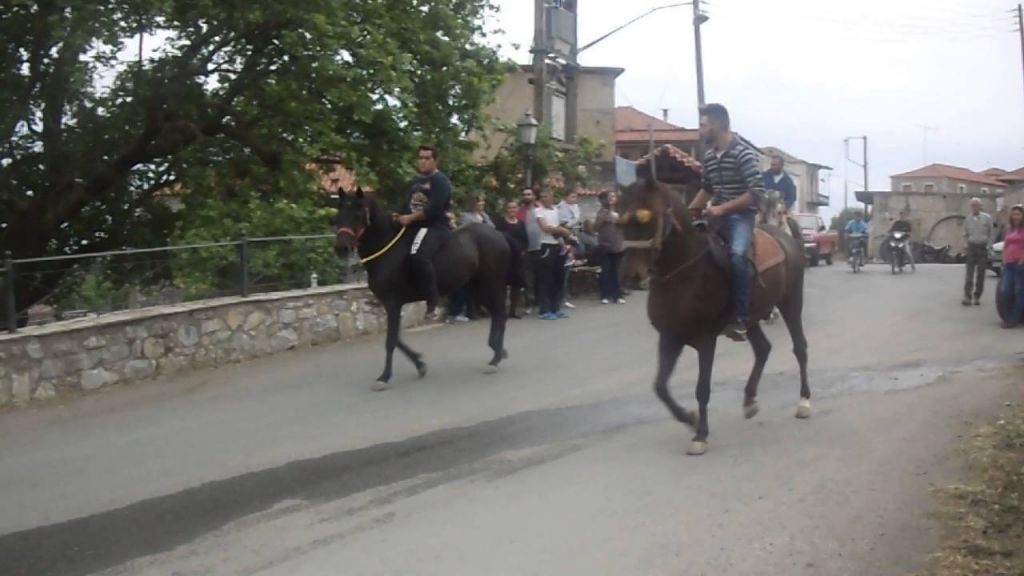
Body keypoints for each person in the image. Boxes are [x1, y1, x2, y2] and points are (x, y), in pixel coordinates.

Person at [687, 103, 766, 341]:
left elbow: (756, 192)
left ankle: (741, 317)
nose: (699, 131)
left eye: (703, 125)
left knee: (737, 255)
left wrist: (723, 208)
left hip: (741, 216)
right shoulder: (709, 157)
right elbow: (708, 189)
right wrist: (688, 211)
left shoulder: (743, 154)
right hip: (715, 215)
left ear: (718, 125)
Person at [397, 145, 452, 320]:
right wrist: (398, 214)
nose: (422, 161)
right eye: (420, 157)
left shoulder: (440, 181)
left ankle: (433, 301)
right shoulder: (416, 181)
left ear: (435, 160)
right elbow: (406, 203)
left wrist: (410, 218)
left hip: (435, 227)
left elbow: (434, 209)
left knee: (419, 256)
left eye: (427, 158)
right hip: (414, 225)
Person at [535, 189, 577, 320]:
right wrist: (563, 231)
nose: (544, 198)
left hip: (558, 246)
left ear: (552, 197)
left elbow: (562, 227)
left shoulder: (557, 211)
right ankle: (545, 309)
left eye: (546, 195)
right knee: (546, 279)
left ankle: (556, 307)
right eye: (542, 196)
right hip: (546, 246)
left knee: (559, 278)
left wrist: (564, 239)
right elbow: (546, 228)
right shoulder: (538, 211)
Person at [495, 200, 528, 319]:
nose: (512, 210)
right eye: (510, 208)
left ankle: (513, 310)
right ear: (506, 209)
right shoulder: (500, 222)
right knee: (502, 285)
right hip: (504, 257)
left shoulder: (521, 223)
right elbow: (497, 238)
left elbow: (525, 240)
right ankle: (501, 310)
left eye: (514, 208)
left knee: (517, 285)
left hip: (518, 258)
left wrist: (523, 251)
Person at [595, 190, 626, 304]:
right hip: (605, 245)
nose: (612, 198)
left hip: (618, 244)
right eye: (610, 196)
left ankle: (617, 294)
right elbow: (595, 227)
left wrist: (620, 220)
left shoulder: (620, 211)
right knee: (606, 271)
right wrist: (602, 220)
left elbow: (625, 223)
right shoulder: (601, 212)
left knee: (616, 271)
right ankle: (605, 294)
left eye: (613, 196)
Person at [962, 197, 994, 306]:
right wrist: (966, 245)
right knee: (969, 274)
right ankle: (967, 296)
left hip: (982, 247)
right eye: (973, 205)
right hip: (971, 247)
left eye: (976, 205)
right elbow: (965, 234)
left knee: (981, 273)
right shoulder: (968, 219)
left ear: (981, 206)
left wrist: (989, 246)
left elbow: (991, 233)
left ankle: (977, 296)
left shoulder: (987, 218)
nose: (974, 207)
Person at [557, 189, 583, 309]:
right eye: (572, 197)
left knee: (567, 270)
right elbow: (564, 224)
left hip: (571, 241)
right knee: (562, 272)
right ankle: (560, 298)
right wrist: (569, 228)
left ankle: (563, 297)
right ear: (565, 197)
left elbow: (575, 222)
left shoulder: (576, 207)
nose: (574, 199)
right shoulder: (561, 208)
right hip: (563, 241)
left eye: (575, 197)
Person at [999, 204, 1024, 328]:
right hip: (1008, 264)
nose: (1016, 216)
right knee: (1005, 290)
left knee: (1019, 291)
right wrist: (1003, 259)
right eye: (1014, 214)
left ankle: (1014, 319)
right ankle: (1007, 316)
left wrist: (1021, 260)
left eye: (1018, 214)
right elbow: (1005, 246)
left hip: (1020, 265)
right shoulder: (1009, 229)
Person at [518, 188, 542, 314]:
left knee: (542, 276)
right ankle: (529, 303)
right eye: (524, 194)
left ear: (534, 196)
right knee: (528, 279)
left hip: (541, 247)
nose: (526, 196)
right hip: (526, 249)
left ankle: (541, 301)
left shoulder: (540, 209)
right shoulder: (519, 212)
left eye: (529, 194)